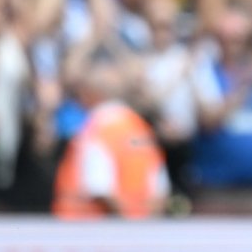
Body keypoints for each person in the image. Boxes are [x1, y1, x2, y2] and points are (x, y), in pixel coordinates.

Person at [53, 64, 170, 219]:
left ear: (91, 94)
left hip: (89, 231)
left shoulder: (97, 129)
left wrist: (126, 224)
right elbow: (159, 188)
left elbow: (99, 189)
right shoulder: (140, 128)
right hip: (138, 231)